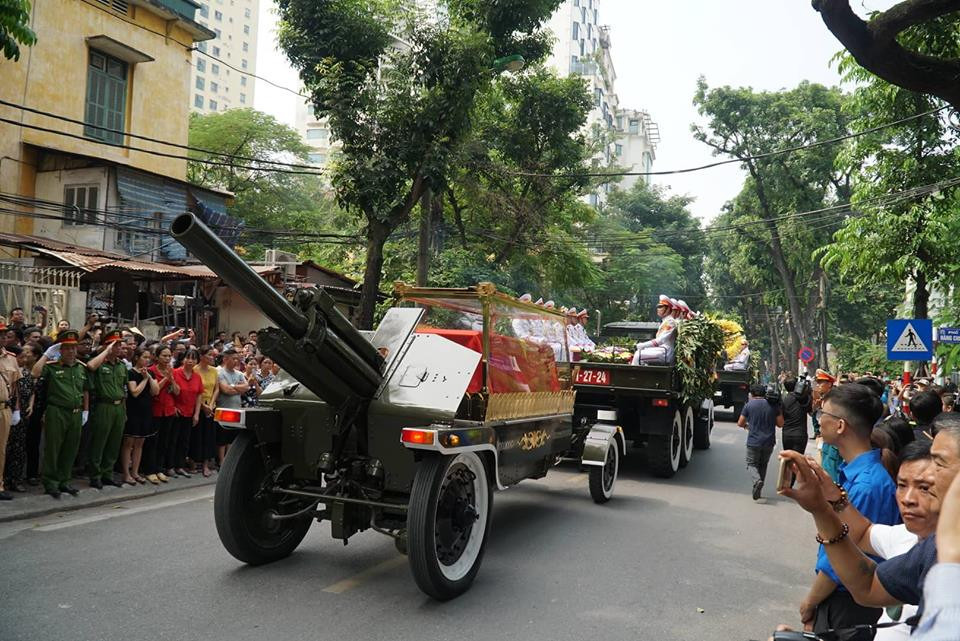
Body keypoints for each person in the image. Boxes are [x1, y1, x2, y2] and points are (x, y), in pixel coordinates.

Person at [780, 412, 960, 636]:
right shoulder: (934, 549)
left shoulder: (870, 485)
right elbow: (867, 585)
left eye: (939, 464)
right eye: (902, 485)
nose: (909, 498)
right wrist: (821, 506)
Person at [792, 384, 903, 640]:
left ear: (841, 426)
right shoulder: (854, 473)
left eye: (823, 415)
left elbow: (843, 552)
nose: (819, 420)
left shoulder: (867, 485)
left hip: (848, 603)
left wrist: (811, 601)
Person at [31, 330, 89, 498]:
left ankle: (64, 480)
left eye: (73, 348)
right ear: (60, 350)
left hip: (76, 413)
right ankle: (51, 482)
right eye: (66, 348)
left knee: (70, 448)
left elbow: (85, 389)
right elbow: (35, 373)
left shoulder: (80, 368)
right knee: (54, 448)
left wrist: (85, 410)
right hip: (57, 411)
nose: (71, 351)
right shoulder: (51, 367)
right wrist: (47, 354)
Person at [85, 330, 128, 489]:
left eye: (119, 345)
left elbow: (123, 389)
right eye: (115, 345)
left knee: (114, 442)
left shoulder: (121, 365)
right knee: (99, 442)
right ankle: (95, 475)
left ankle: (107, 473)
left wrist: (124, 411)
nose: (118, 348)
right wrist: (106, 351)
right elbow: (90, 366)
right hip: (104, 406)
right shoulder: (99, 362)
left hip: (119, 407)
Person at [737, 384, 784, 500]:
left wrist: (747, 426)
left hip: (753, 441)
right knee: (763, 465)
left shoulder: (749, 405)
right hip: (769, 442)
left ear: (752, 394)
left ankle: (757, 481)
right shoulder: (773, 405)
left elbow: (740, 423)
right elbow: (780, 424)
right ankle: (759, 488)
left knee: (751, 464)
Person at [120, 347, 157, 485]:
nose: (147, 360)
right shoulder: (131, 373)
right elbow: (134, 392)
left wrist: (149, 377)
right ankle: (126, 473)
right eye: (144, 357)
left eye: (149, 358)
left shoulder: (150, 373)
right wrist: (145, 380)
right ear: (137, 358)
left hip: (146, 411)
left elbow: (155, 391)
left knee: (140, 442)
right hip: (133, 411)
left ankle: (135, 472)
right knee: (129, 442)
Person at [6, 344, 40, 493]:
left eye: (26, 356)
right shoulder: (10, 373)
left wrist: (31, 405)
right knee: (7, 448)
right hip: (10, 412)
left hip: (24, 414)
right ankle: (5, 479)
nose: (24, 359)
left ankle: (16, 479)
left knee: (19, 449)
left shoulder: (26, 372)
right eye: (21, 357)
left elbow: (32, 391)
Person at [145, 344, 178, 484]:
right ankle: (150, 470)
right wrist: (166, 378)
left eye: (169, 356)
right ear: (157, 357)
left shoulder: (172, 371)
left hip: (169, 410)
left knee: (164, 441)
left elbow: (177, 392)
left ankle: (159, 468)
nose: (167, 358)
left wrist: (172, 379)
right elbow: (155, 390)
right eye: (164, 355)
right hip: (155, 410)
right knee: (153, 442)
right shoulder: (150, 371)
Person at [171, 348, 203, 478]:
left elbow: (199, 395)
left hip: (189, 413)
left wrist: (196, 414)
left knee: (184, 441)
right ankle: (170, 466)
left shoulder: (197, 376)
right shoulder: (175, 373)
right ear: (183, 359)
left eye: (193, 358)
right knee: (173, 440)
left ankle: (180, 466)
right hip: (176, 413)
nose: (190, 361)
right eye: (188, 357)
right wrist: (173, 407)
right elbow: (169, 392)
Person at [216, 349, 248, 464]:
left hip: (236, 409)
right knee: (222, 438)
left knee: (232, 437)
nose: (236, 361)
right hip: (223, 409)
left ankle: (229, 461)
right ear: (225, 359)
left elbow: (246, 388)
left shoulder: (239, 373)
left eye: (237, 359)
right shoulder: (219, 372)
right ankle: (221, 461)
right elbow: (225, 390)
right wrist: (237, 388)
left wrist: (233, 387)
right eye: (233, 358)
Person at [191, 345, 219, 477]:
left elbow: (217, 388)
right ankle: (193, 461)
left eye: (213, 355)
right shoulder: (195, 370)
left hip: (211, 405)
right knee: (197, 434)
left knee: (209, 435)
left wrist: (212, 404)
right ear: (201, 356)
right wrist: (203, 406)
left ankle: (206, 464)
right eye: (209, 354)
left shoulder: (214, 371)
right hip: (197, 405)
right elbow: (194, 391)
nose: (212, 357)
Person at [812, 369, 843, 481]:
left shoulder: (835, 399)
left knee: (831, 472)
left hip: (833, 440)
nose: (818, 385)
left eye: (821, 382)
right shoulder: (823, 399)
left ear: (829, 384)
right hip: (823, 437)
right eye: (818, 382)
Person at [631, 295, 678, 366]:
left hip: (665, 352)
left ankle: (634, 376)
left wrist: (642, 345)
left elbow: (660, 340)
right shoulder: (665, 321)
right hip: (662, 350)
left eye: (660, 307)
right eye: (658, 307)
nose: (658, 309)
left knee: (638, 355)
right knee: (640, 352)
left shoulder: (670, 322)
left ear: (668, 309)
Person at [0, 340, 21, 500]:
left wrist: (17, 409)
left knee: (1, 449)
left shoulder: (11, 358)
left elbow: (15, 386)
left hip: (4, 409)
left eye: (2, 334)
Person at [782, 378, 812, 457]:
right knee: (798, 461)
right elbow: (810, 410)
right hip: (800, 434)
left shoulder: (784, 399)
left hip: (787, 434)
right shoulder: (804, 398)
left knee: (788, 460)